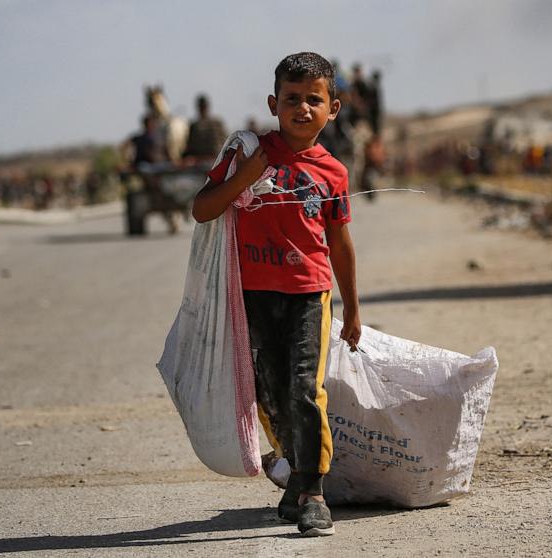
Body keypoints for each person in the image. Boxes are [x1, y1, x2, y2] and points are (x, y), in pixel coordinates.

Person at [191, 52, 360, 537]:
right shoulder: (247, 153)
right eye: (292, 98)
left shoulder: (334, 173)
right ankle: (292, 472)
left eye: (314, 100)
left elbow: (341, 245)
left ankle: (311, 491)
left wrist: (352, 308)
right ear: (273, 103)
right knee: (270, 393)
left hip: (310, 294)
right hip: (253, 296)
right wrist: (244, 178)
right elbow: (202, 210)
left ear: (334, 108)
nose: (302, 108)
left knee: (306, 389)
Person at [182, 94, 228, 165]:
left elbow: (224, 142)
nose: (202, 109)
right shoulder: (194, 125)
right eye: (201, 107)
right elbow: (189, 146)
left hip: (216, 158)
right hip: (197, 160)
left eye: (203, 106)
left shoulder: (216, 123)